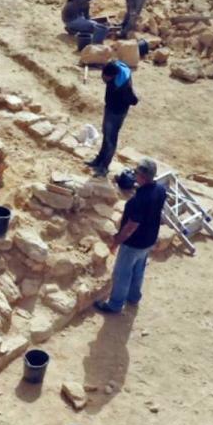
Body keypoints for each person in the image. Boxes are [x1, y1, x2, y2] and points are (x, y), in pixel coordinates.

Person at [94, 159, 167, 314]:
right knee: (138, 270)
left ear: (143, 177)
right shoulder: (160, 189)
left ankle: (115, 305)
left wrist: (116, 242)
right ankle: (133, 297)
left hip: (133, 244)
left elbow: (130, 227)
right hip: (149, 239)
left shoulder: (138, 200)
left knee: (122, 274)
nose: (134, 176)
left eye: (136, 173)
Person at [84, 60, 138, 178]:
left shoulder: (123, 86)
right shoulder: (116, 66)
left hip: (117, 113)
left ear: (113, 76)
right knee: (106, 134)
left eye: (106, 78)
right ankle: (99, 160)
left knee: (111, 139)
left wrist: (122, 102)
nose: (104, 79)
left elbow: (134, 100)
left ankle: (104, 167)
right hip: (110, 108)